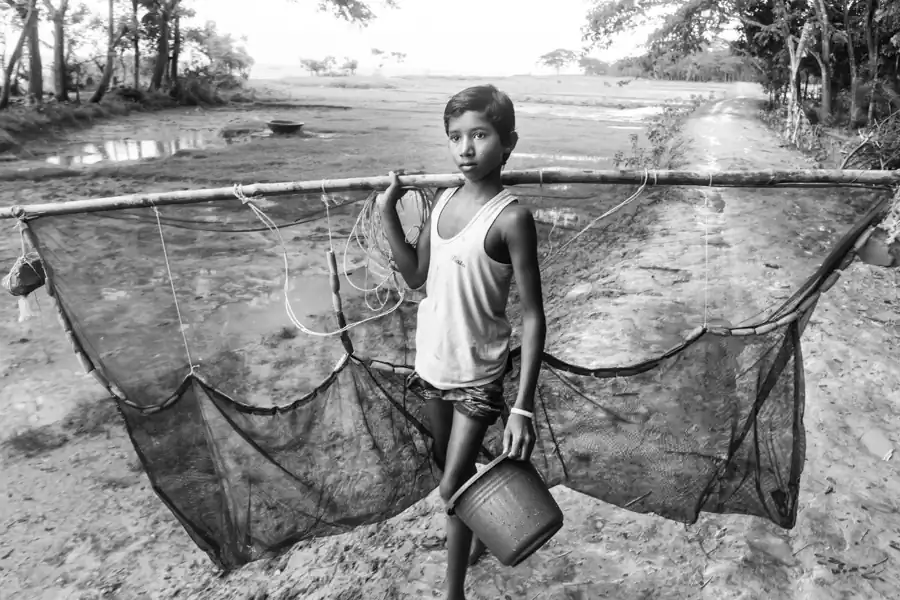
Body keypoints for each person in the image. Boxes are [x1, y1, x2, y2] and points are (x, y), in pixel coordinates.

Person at [377, 84, 546, 600]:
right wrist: (389, 215)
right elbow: (415, 276)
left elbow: (535, 317)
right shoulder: (443, 200)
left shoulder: (510, 217)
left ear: (508, 143)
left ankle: (453, 591)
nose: (466, 149)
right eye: (455, 137)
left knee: (452, 486)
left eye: (480, 135)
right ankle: (470, 539)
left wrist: (522, 409)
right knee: (446, 465)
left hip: (477, 376)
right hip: (431, 366)